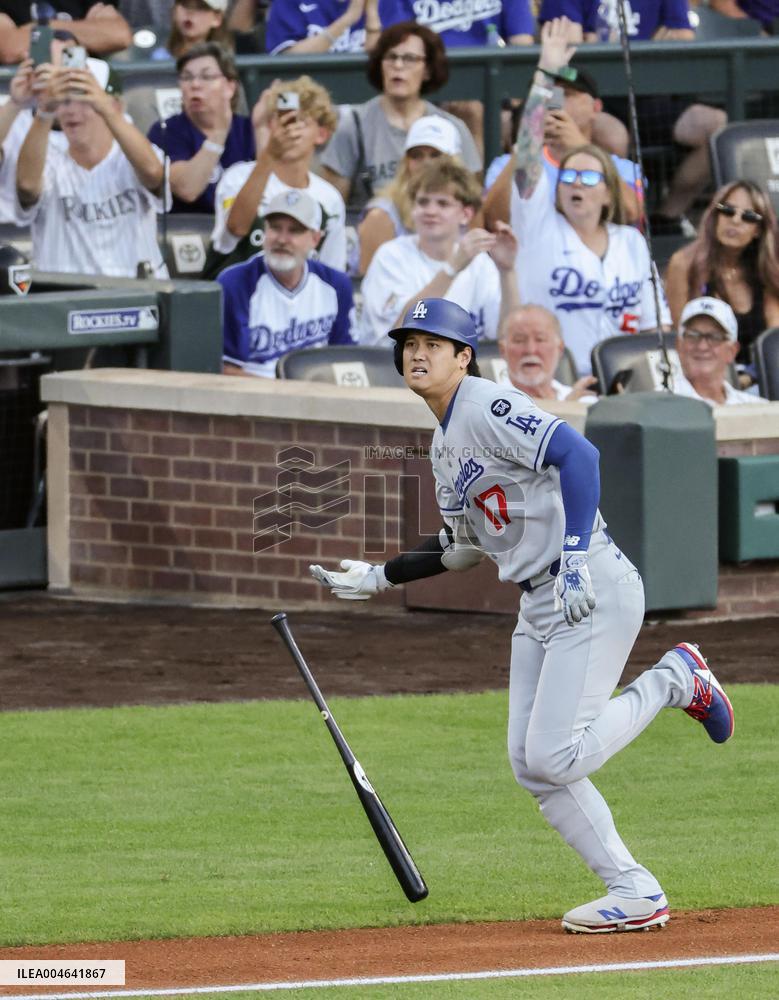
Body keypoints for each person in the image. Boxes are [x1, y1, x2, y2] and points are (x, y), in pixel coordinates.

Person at [310, 296, 734, 933]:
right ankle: (634, 889)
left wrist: (570, 560)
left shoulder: (486, 404)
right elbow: (461, 550)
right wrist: (379, 574)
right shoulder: (442, 444)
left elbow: (580, 458)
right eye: (409, 343)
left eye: (433, 342)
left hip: (586, 581)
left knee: (554, 755)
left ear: (463, 356)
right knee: (531, 764)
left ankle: (677, 679)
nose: (417, 353)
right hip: (538, 600)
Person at [510, 18, 670, 376]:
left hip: (628, 384)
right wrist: (546, 72)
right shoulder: (538, 228)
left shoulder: (631, 243)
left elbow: (654, 327)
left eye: (588, 177)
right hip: (557, 384)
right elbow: (525, 153)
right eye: (568, 176)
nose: (576, 184)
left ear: (607, 193)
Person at [537, 0, 727, 236]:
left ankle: (667, 217)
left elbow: (682, 36)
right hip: (594, 92)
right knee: (613, 134)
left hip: (654, 93)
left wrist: (595, 39)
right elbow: (568, 44)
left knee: (715, 126)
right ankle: (609, 219)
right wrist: (650, 44)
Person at [15, 58, 169, 278]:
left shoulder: (132, 153)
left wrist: (106, 109)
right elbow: (27, 186)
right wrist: (45, 111)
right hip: (65, 304)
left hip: (137, 301)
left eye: (83, 99)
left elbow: (154, 174)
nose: (70, 110)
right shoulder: (47, 155)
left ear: (114, 105)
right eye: (64, 101)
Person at [317, 21, 481, 218]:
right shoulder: (353, 125)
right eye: (391, 57)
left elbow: (471, 204)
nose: (398, 66)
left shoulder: (451, 127)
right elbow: (331, 207)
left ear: (428, 70)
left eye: (410, 58)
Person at [207, 75, 346, 275]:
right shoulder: (237, 176)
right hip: (237, 298)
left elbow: (331, 271)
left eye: (301, 122)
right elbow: (235, 230)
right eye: (283, 120)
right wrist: (270, 154)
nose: (290, 130)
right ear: (270, 125)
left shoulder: (330, 199)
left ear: (322, 134)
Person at [358, 157, 500, 346]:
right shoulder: (391, 256)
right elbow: (397, 336)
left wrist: (508, 272)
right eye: (423, 202)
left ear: (466, 214)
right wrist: (452, 269)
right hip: (397, 371)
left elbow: (500, 335)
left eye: (443, 204)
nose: (430, 211)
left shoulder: (480, 262)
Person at [483, 63, 643, 228]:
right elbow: (493, 219)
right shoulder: (506, 164)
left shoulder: (624, 168)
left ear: (596, 107)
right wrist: (526, 148)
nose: (555, 102)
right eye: (546, 94)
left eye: (566, 94)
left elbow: (632, 212)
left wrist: (581, 148)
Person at [219, 189, 355, 378]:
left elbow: (347, 360)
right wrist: (287, 395)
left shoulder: (336, 285)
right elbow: (226, 370)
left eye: (295, 230)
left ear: (315, 238)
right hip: (253, 398)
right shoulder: (235, 284)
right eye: (275, 227)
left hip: (320, 394)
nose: (282, 239)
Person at [665, 181, 779, 366]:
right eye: (727, 210)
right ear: (715, 216)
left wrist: (751, 377)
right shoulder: (684, 263)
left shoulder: (765, 270)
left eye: (748, 216)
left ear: (758, 230)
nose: (735, 220)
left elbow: (775, 339)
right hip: (702, 373)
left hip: (758, 377)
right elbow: (679, 336)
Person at [147, 42, 254, 214]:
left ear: (230, 87)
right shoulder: (165, 131)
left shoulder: (250, 130)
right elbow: (187, 189)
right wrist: (218, 134)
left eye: (206, 77)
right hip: (187, 233)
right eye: (187, 77)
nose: (195, 85)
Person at [356, 113, 462, 276]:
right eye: (416, 155)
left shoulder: (467, 207)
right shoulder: (381, 216)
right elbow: (370, 285)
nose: (426, 163)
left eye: (436, 155)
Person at [673, 296, 767, 404]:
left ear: (732, 351)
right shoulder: (658, 406)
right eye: (693, 335)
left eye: (714, 337)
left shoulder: (756, 409)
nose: (702, 346)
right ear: (679, 346)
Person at [500, 304, 599, 402]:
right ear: (503, 350)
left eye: (540, 340)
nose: (530, 350)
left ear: (560, 348)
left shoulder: (582, 402)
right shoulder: (489, 404)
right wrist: (566, 410)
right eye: (519, 340)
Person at [0, 0, 132, 64]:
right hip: (24, 93)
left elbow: (119, 35)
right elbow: (10, 48)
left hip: (84, 86)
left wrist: (41, 28)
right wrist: (86, 31)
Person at [265, 0, 381, 54]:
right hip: (306, 95)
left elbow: (387, 61)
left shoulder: (387, 2)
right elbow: (285, 60)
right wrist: (348, 19)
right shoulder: (289, 2)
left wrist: (372, 14)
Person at [152, 0, 234, 60]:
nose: (190, 12)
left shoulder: (225, 63)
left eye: (200, 7)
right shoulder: (158, 58)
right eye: (185, 4)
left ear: (217, 19)